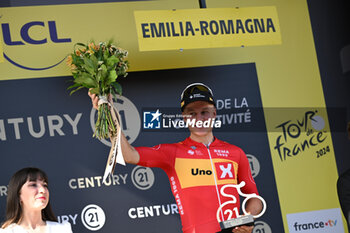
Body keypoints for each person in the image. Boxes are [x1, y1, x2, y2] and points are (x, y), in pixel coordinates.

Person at [89, 83, 263, 233]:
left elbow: (254, 198)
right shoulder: (172, 153)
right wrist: (108, 111)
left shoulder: (235, 152)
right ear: (183, 118)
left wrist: (248, 219)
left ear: (214, 113)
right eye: (192, 113)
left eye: (204, 112)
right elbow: (128, 155)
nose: (199, 119)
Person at [0, 167, 72, 233]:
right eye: (33, 185)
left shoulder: (62, 229)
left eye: (45, 185)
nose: (42, 190)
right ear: (18, 195)